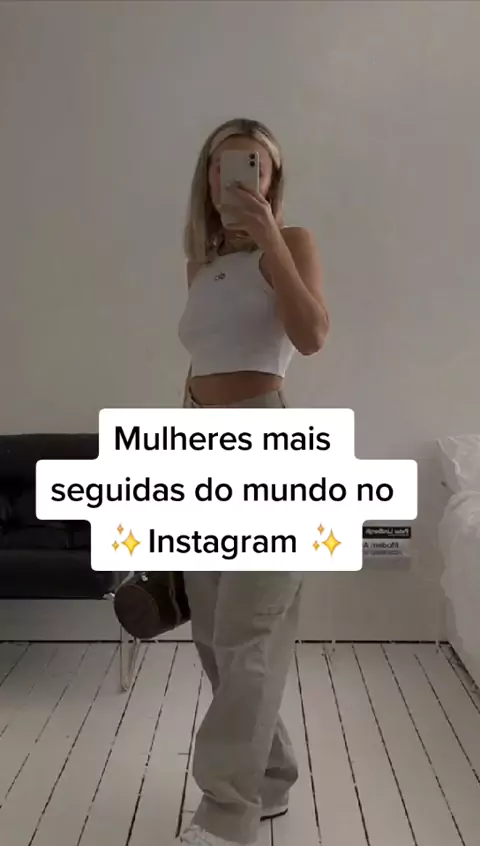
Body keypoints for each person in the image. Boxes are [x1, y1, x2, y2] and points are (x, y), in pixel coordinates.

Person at [177, 118, 330, 846]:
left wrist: (271, 240)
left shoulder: (292, 243)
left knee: (249, 630)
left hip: (268, 446)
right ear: (206, 178)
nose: (233, 176)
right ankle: (270, 776)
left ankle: (225, 813)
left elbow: (312, 335)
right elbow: (201, 362)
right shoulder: (199, 265)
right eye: (220, 165)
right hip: (195, 443)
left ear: (271, 179)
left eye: (251, 164)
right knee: (213, 633)